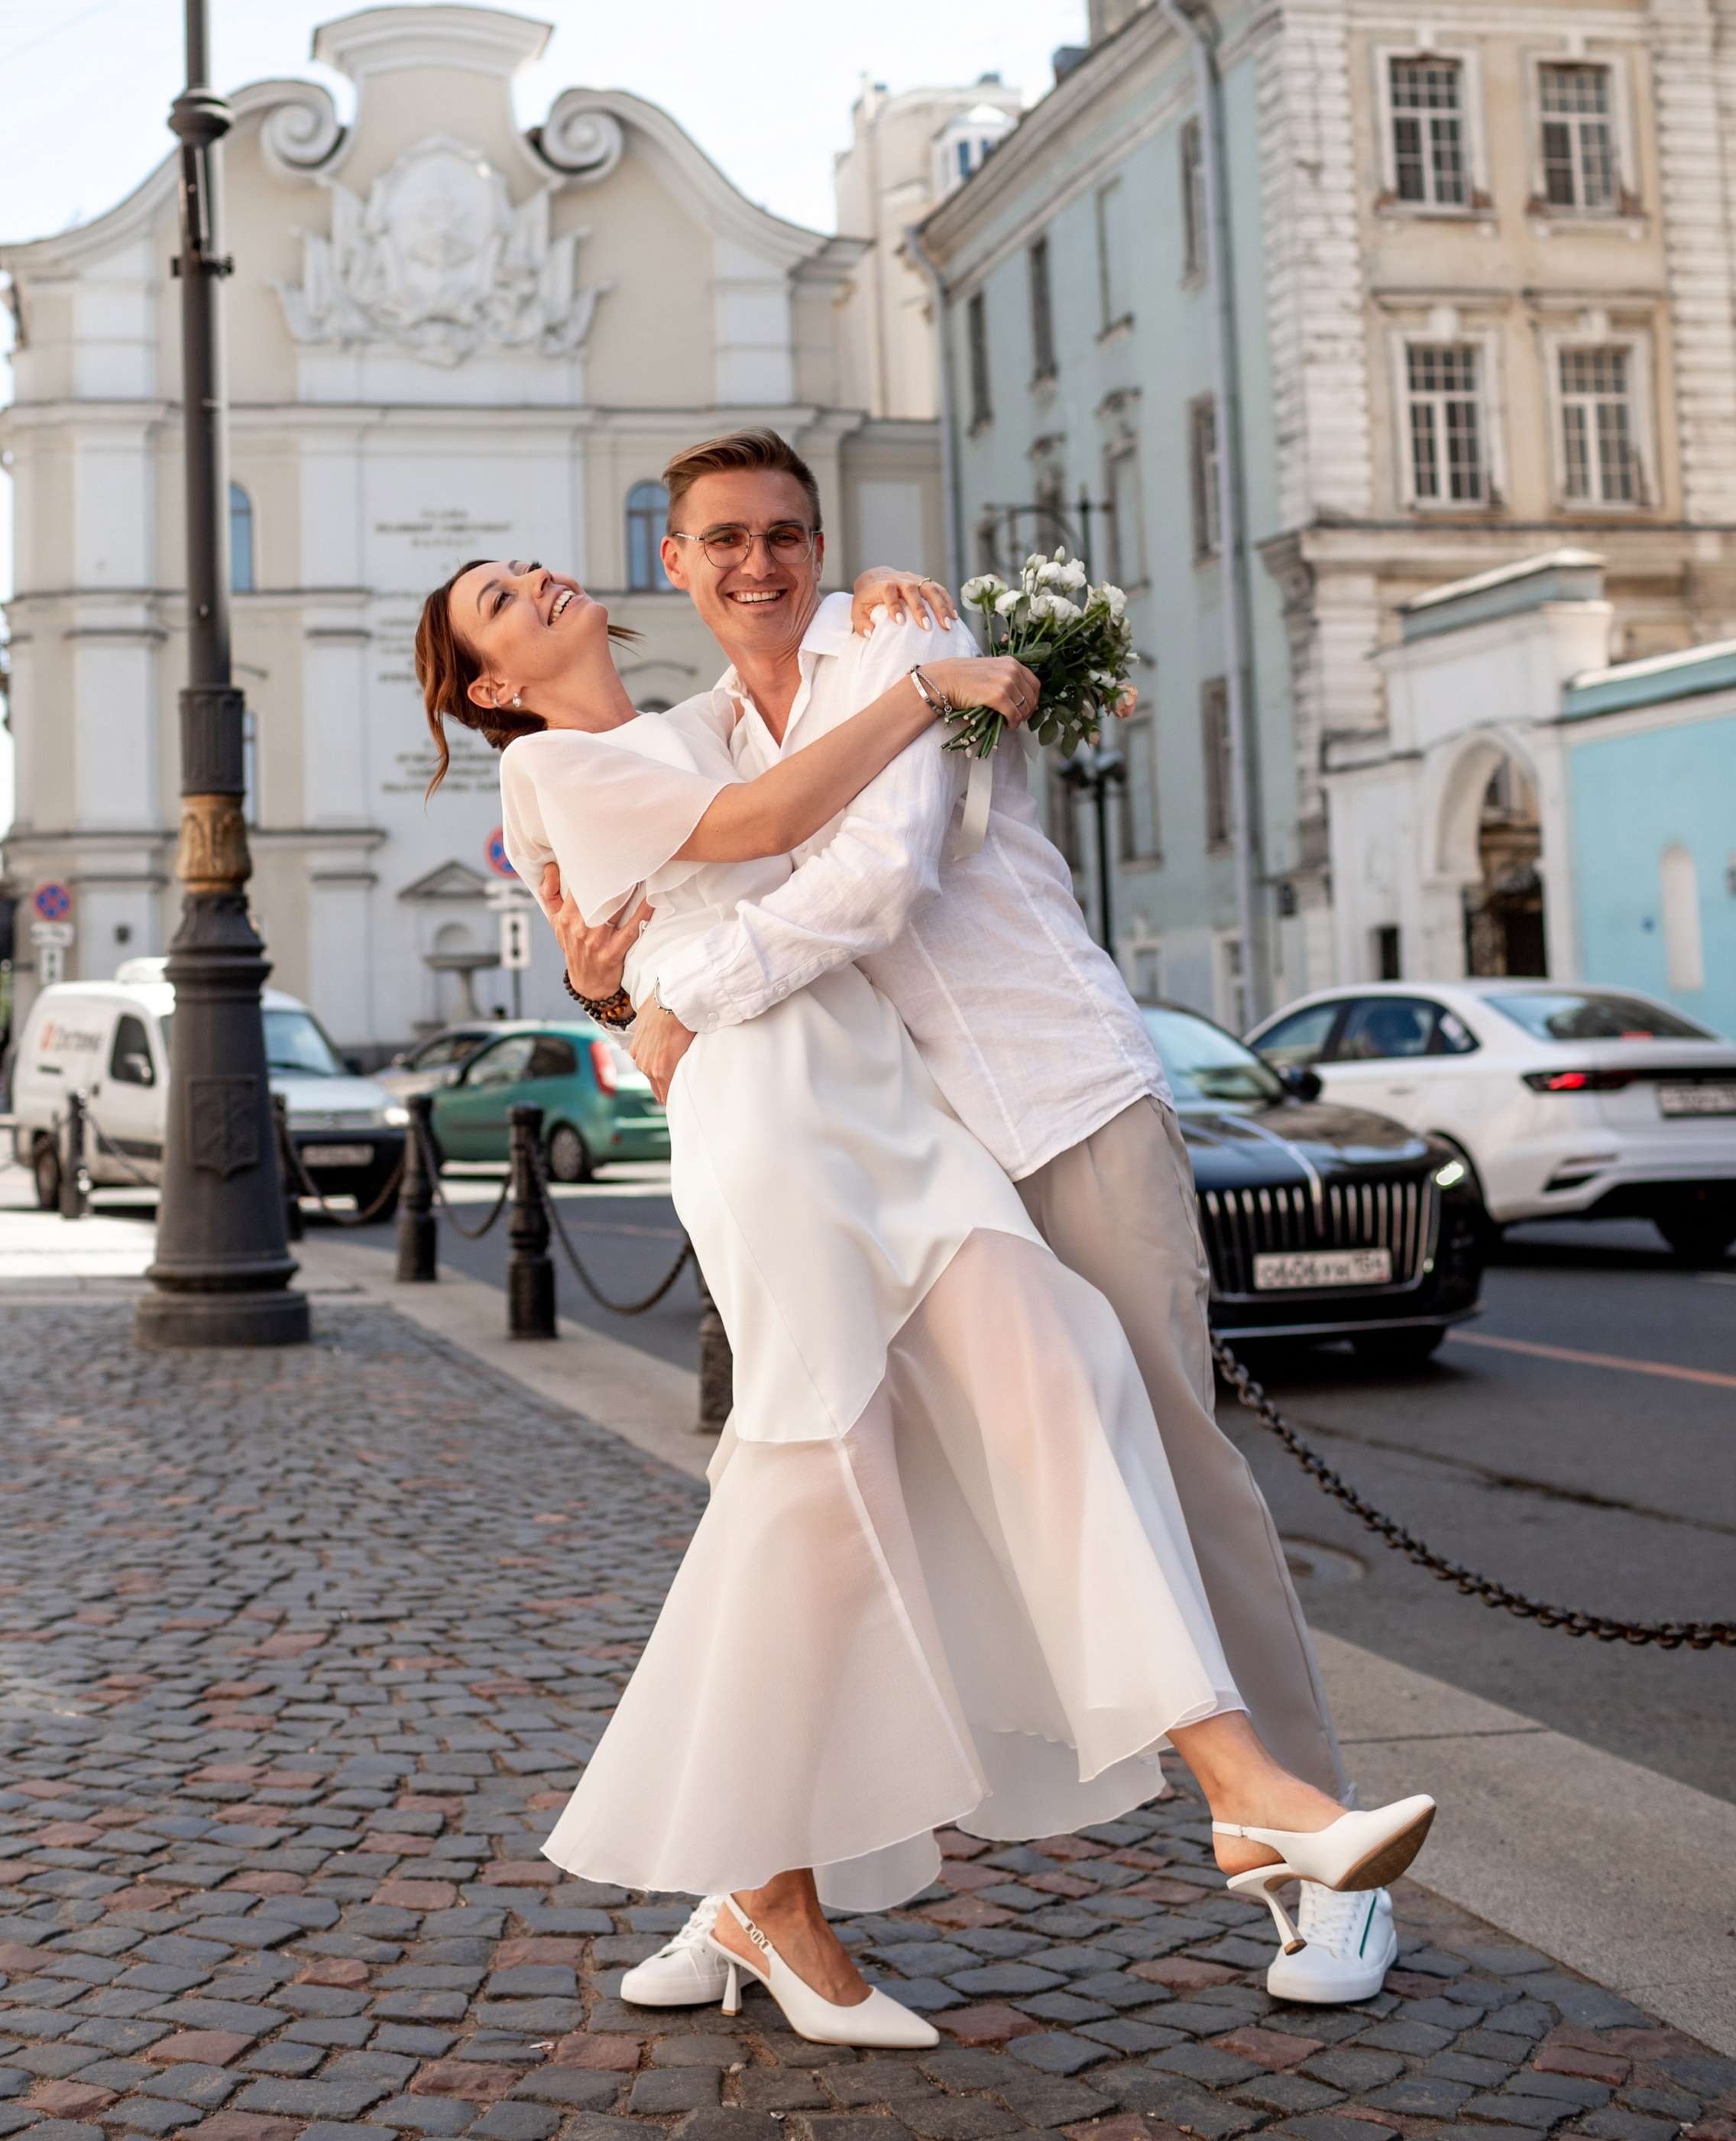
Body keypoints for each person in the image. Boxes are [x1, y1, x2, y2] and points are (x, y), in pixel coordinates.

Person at [415, 549, 1433, 2049]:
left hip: (894, 1107)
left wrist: (906, 626)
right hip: (769, 1119)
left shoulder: (708, 716)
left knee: (1063, 1375)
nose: (541, 581)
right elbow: (757, 838)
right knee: (817, 1485)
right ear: (492, 685)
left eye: (528, 567)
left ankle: (1248, 1798)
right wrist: (929, 687)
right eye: (501, 600)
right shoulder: (561, 765)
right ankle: (761, 1880)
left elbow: (737, 862)